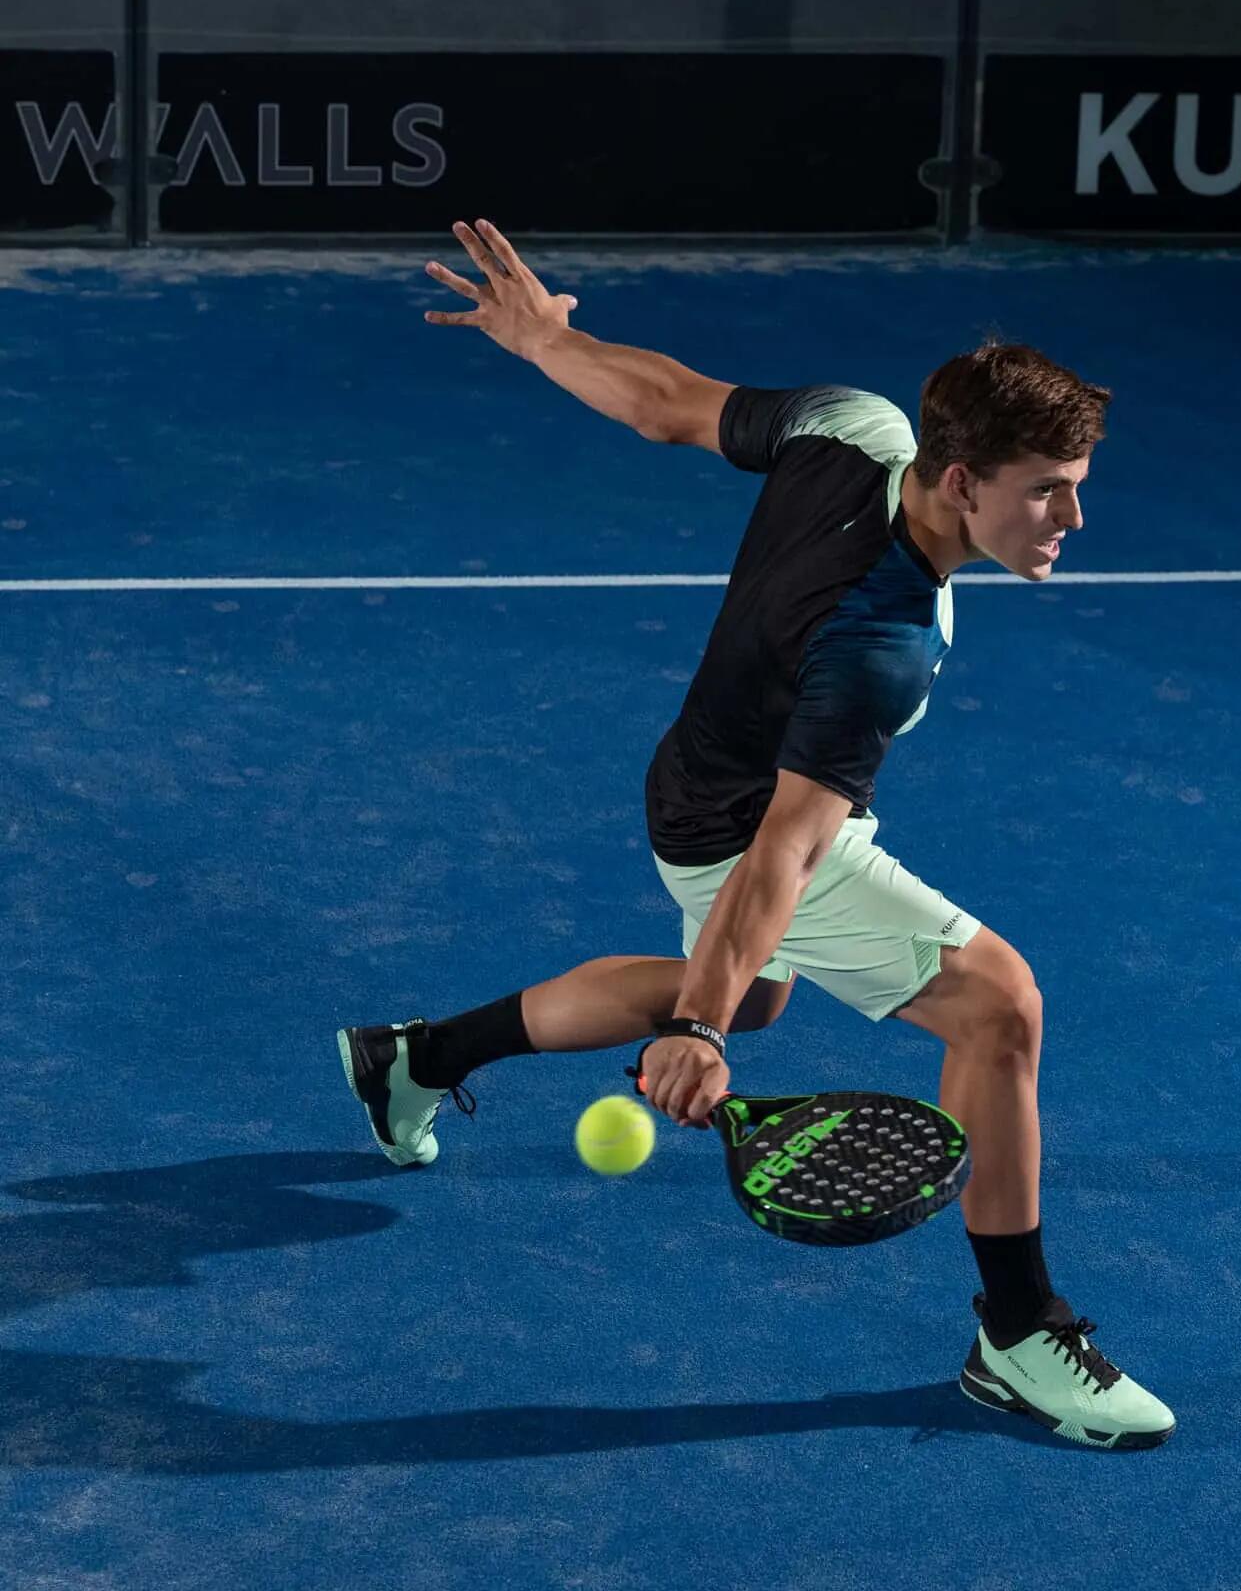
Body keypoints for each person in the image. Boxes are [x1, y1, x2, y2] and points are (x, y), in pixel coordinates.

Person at [337, 219, 1175, 1451]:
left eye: (1074, 487)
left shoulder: (856, 427)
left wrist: (545, 340)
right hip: (748, 820)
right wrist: (692, 1032)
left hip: (693, 780)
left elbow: (668, 403)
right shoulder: (879, 643)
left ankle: (413, 1055)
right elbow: (785, 850)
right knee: (1000, 1006)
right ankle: (1017, 1330)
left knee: (759, 992)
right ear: (959, 483)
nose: (1070, 518)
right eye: (1044, 491)